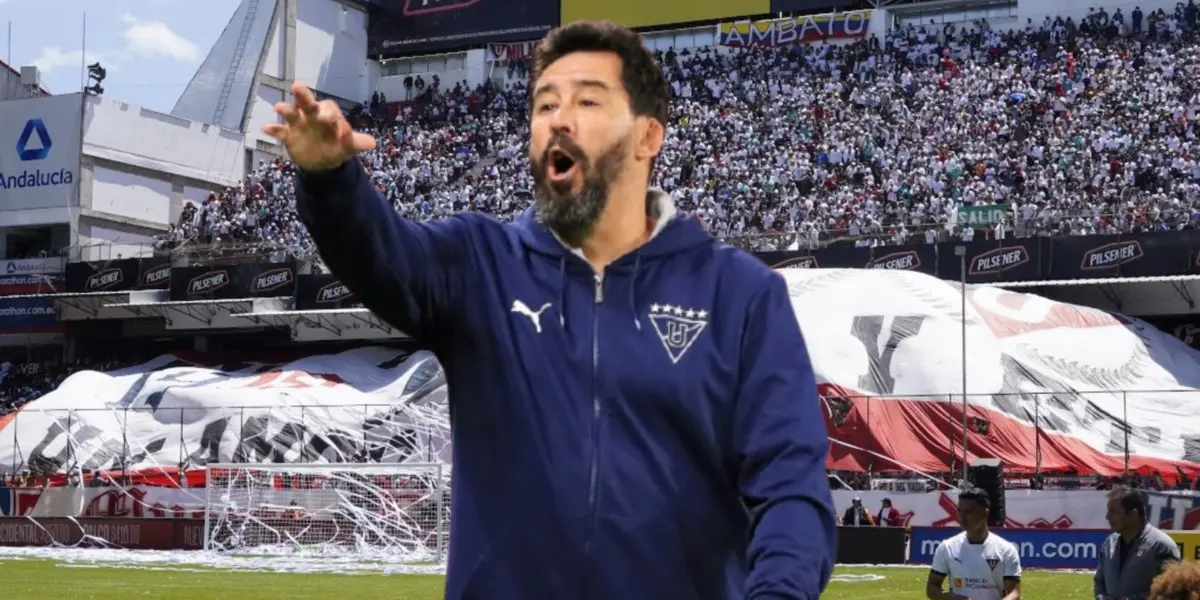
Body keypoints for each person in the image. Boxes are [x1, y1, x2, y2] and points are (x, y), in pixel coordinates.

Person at [263, 19, 836, 600]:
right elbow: (380, 256)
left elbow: (791, 489)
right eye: (545, 104)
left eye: (588, 101)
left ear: (647, 137)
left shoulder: (740, 295)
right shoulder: (480, 264)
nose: (559, 119)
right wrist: (330, 179)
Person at [926, 488, 1021, 600]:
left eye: (968, 512)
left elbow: (1014, 593)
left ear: (985, 513)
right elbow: (932, 587)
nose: (962, 518)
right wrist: (953, 598)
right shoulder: (947, 547)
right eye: (959, 511)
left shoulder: (1006, 550)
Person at [1095, 486, 1181, 600]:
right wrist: (1101, 597)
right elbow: (1099, 581)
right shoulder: (1109, 543)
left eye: (1114, 511)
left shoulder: (1161, 546)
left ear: (1133, 514)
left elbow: (1171, 591)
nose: (1107, 517)